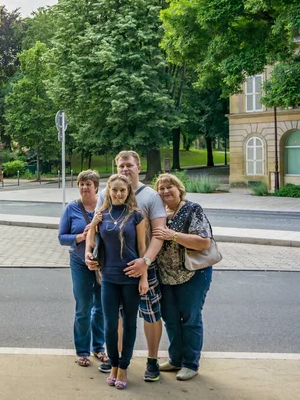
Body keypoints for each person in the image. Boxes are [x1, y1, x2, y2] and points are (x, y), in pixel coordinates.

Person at [95, 151, 166, 382]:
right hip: (113, 270)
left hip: (145, 265)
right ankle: (116, 362)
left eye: (129, 165)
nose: (125, 169)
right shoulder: (106, 193)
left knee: (149, 314)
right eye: (121, 165)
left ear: (138, 166)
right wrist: (91, 253)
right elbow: (97, 228)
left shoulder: (150, 196)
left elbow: (158, 234)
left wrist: (144, 263)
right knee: (114, 318)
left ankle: (152, 361)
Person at [85, 174, 147, 390]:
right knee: (110, 325)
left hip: (131, 277)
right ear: (108, 192)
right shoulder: (101, 214)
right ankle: (113, 364)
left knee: (129, 325)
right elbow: (90, 239)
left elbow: (142, 249)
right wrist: (88, 254)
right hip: (108, 278)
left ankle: (123, 367)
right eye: (115, 190)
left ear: (128, 191)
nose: (119, 194)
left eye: (123, 190)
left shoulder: (137, 215)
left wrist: (144, 278)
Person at [152, 173, 214, 381]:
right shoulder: (158, 212)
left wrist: (174, 235)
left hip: (193, 273)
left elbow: (204, 242)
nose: (165, 191)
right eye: (161, 188)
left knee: (190, 318)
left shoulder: (192, 209)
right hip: (165, 276)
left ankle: (190, 363)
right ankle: (175, 359)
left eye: (169, 187)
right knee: (170, 318)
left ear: (180, 189)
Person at [58, 170, 109, 367]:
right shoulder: (72, 208)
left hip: (102, 263)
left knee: (102, 307)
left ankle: (98, 347)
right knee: (83, 308)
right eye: (81, 184)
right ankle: (82, 351)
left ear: (96, 186)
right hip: (80, 262)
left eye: (88, 184)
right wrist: (80, 236)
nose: (84, 187)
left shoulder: (105, 206)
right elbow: (62, 237)